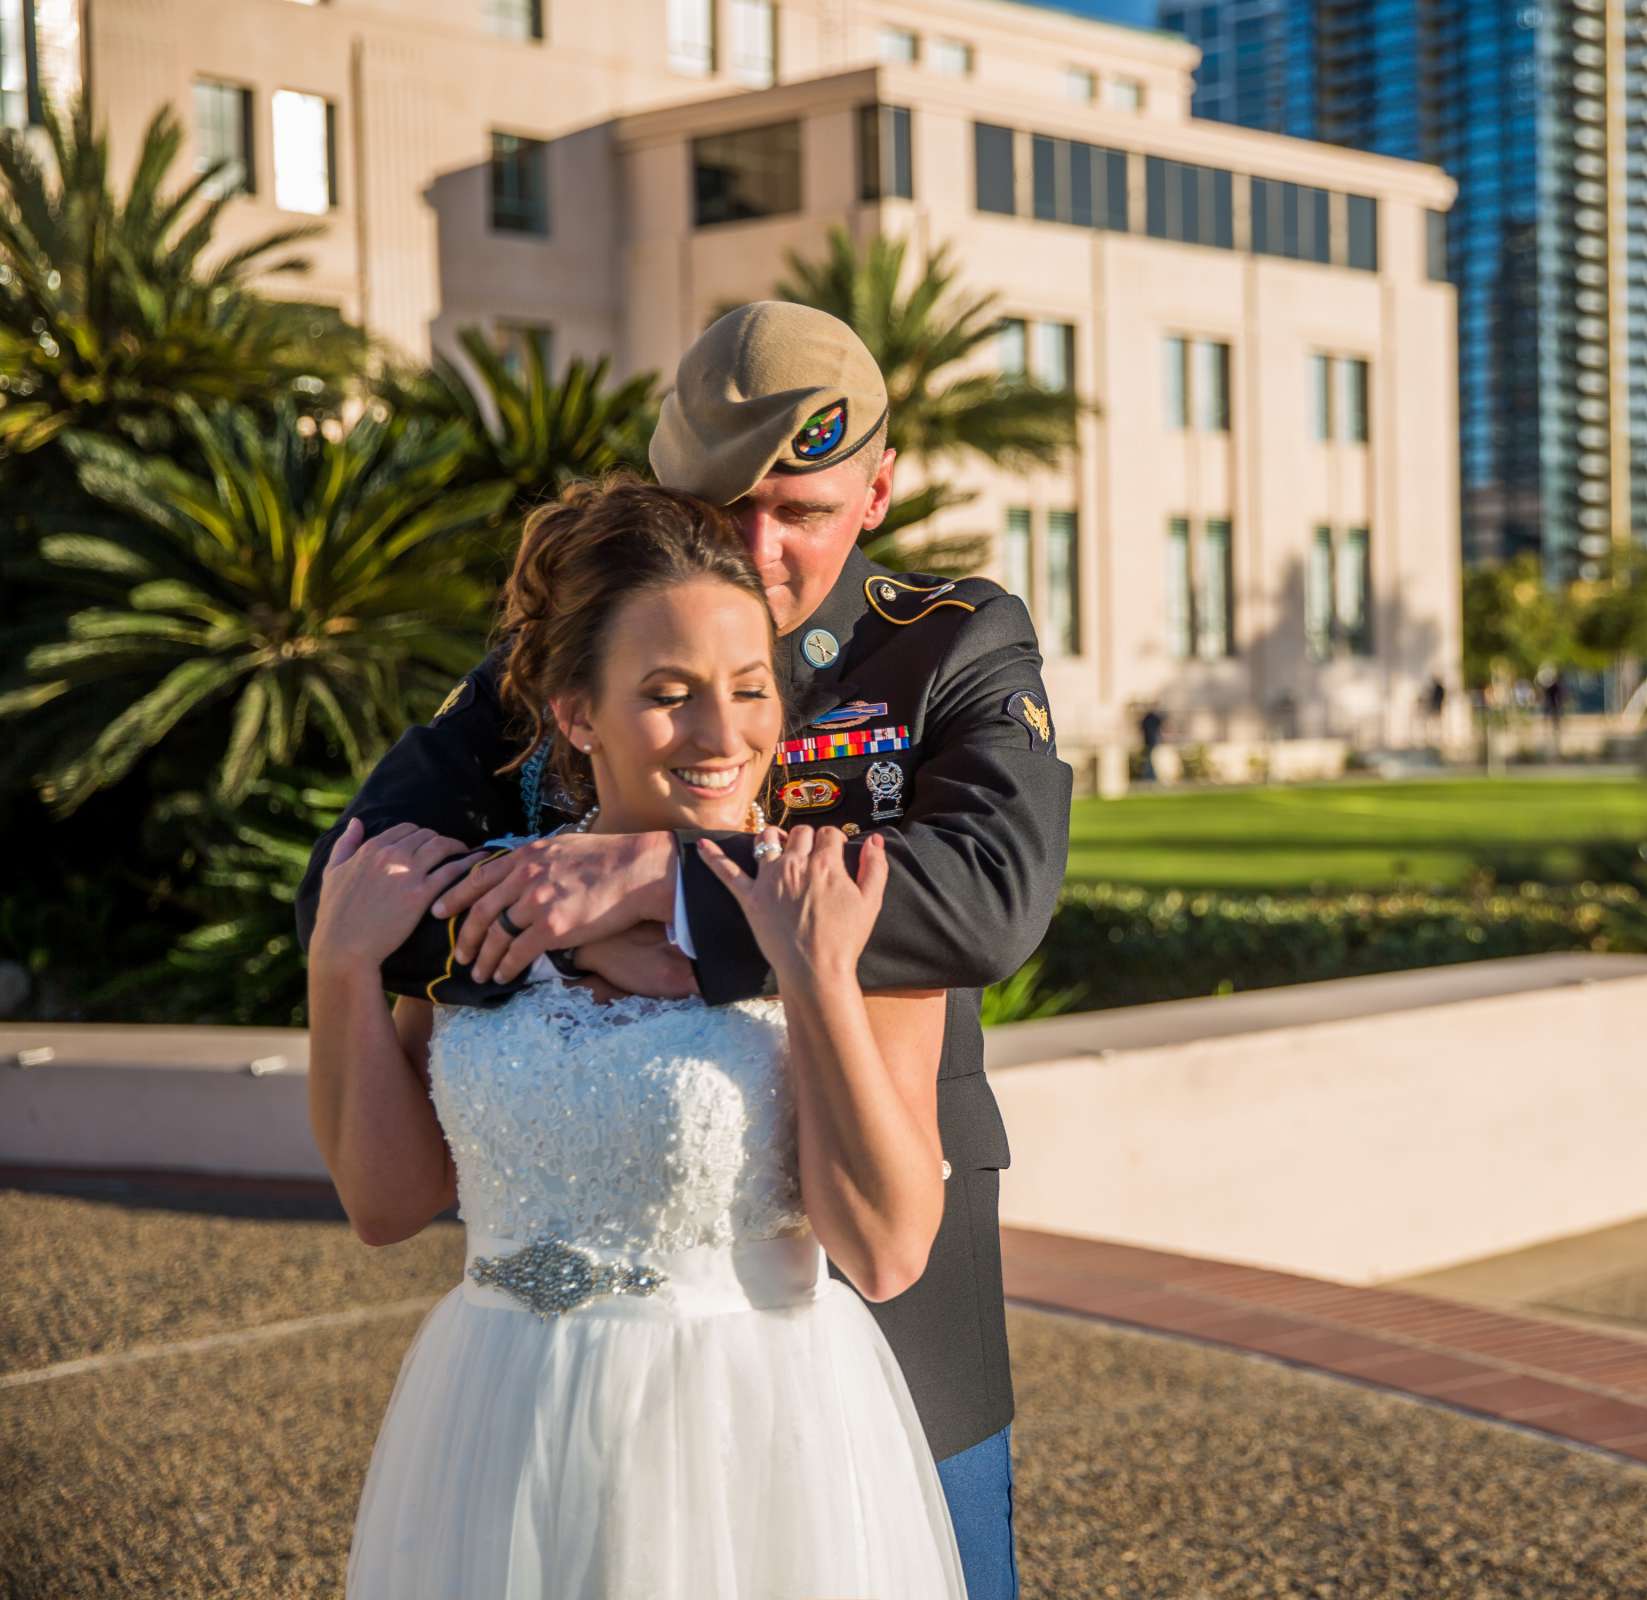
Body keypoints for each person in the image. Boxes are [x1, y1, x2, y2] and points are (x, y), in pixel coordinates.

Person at [295, 303, 1070, 1599]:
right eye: (725, 508)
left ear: (879, 492)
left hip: (888, 1274)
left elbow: (989, 900)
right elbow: (354, 879)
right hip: (570, 1335)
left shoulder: (947, 642)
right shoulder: (573, 652)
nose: (761, 552)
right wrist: (540, 906)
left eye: (803, 510)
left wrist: (660, 879)